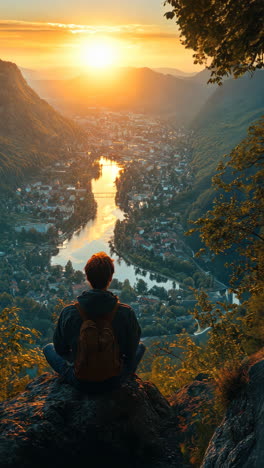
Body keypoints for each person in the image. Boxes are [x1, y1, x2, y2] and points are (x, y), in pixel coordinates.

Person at [43, 251, 145, 392]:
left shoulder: (69, 313)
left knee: (48, 348)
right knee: (141, 347)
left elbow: (60, 349)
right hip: (114, 380)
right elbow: (131, 352)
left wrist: (79, 357)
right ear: (110, 278)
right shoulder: (126, 313)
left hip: (80, 381)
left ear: (87, 277)